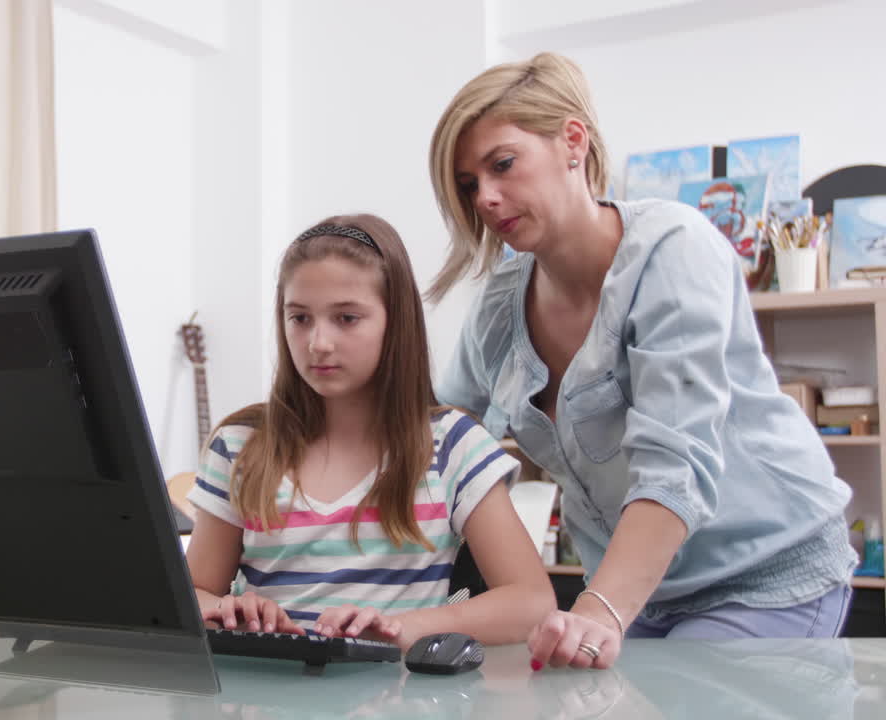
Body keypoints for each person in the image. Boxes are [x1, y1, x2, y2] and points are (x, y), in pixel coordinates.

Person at [426, 52, 858, 670]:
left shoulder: (673, 251)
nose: (487, 198)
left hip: (762, 572)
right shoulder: (500, 302)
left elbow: (674, 463)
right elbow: (444, 436)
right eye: (469, 184)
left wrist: (599, 610)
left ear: (573, 141)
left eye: (502, 165)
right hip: (638, 595)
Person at [183, 214, 555, 650]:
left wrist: (402, 628)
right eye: (299, 318)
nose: (318, 342)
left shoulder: (452, 445)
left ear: (394, 323)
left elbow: (531, 604)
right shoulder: (240, 447)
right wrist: (224, 611)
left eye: (346, 318)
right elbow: (192, 592)